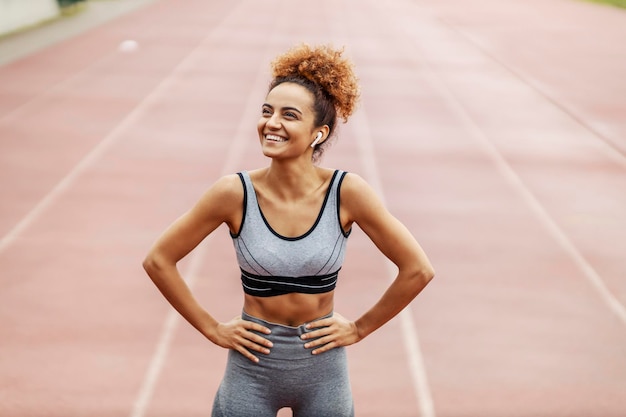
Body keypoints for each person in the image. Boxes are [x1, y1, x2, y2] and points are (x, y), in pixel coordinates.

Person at [142, 43, 435, 417]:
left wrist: (360, 328)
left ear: (318, 132)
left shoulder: (347, 192)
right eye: (267, 111)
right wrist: (212, 328)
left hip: (322, 371)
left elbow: (418, 269)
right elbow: (159, 260)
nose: (272, 123)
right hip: (252, 368)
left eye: (289, 115)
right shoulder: (234, 193)